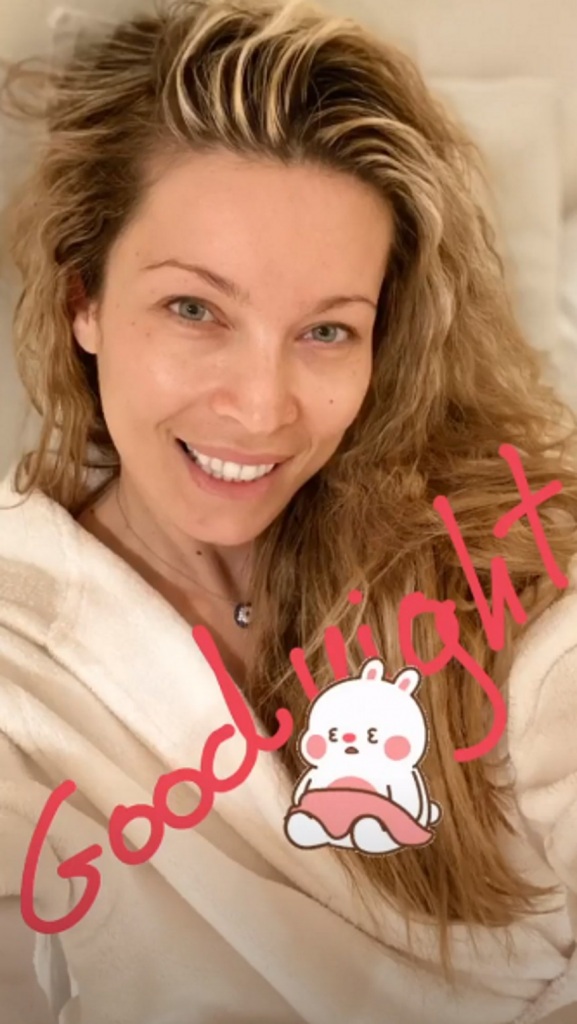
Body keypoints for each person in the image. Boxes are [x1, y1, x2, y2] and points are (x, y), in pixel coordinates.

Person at [1, 0, 577, 1021]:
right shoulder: (20, 658)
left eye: (325, 331)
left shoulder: (499, 556)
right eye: (194, 309)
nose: (262, 409)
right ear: (83, 299)